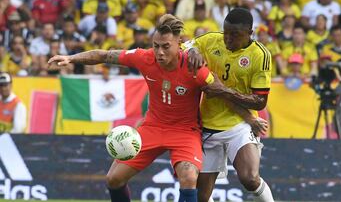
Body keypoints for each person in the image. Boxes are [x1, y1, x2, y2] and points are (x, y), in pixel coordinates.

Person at [48, 14, 267, 202]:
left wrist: (250, 119)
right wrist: (70, 58)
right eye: (156, 46)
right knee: (113, 179)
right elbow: (105, 55)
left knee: (189, 177)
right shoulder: (145, 58)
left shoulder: (195, 69)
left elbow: (221, 94)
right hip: (152, 127)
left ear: (179, 43)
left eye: (165, 47)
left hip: (185, 131)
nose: (159, 52)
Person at [184, 8, 275, 202]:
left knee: (250, 179)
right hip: (207, 127)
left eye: (235, 35)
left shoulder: (260, 55)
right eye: (226, 33)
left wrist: (222, 90)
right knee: (201, 197)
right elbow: (185, 46)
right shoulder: (210, 40)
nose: (228, 39)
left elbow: (260, 102)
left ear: (250, 33)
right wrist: (192, 51)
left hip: (238, 126)